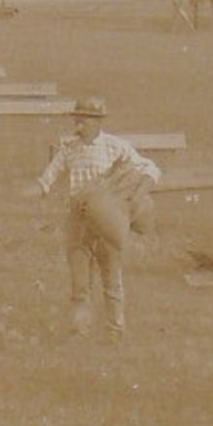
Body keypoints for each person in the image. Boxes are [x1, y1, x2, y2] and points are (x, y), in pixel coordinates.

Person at [32, 97, 160, 336]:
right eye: (77, 121)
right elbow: (48, 177)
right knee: (80, 282)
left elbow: (150, 168)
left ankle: (115, 331)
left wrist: (136, 196)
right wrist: (37, 189)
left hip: (107, 221)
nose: (79, 127)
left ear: (98, 122)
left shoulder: (116, 146)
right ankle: (81, 332)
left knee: (111, 277)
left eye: (85, 121)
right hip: (78, 219)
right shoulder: (69, 148)